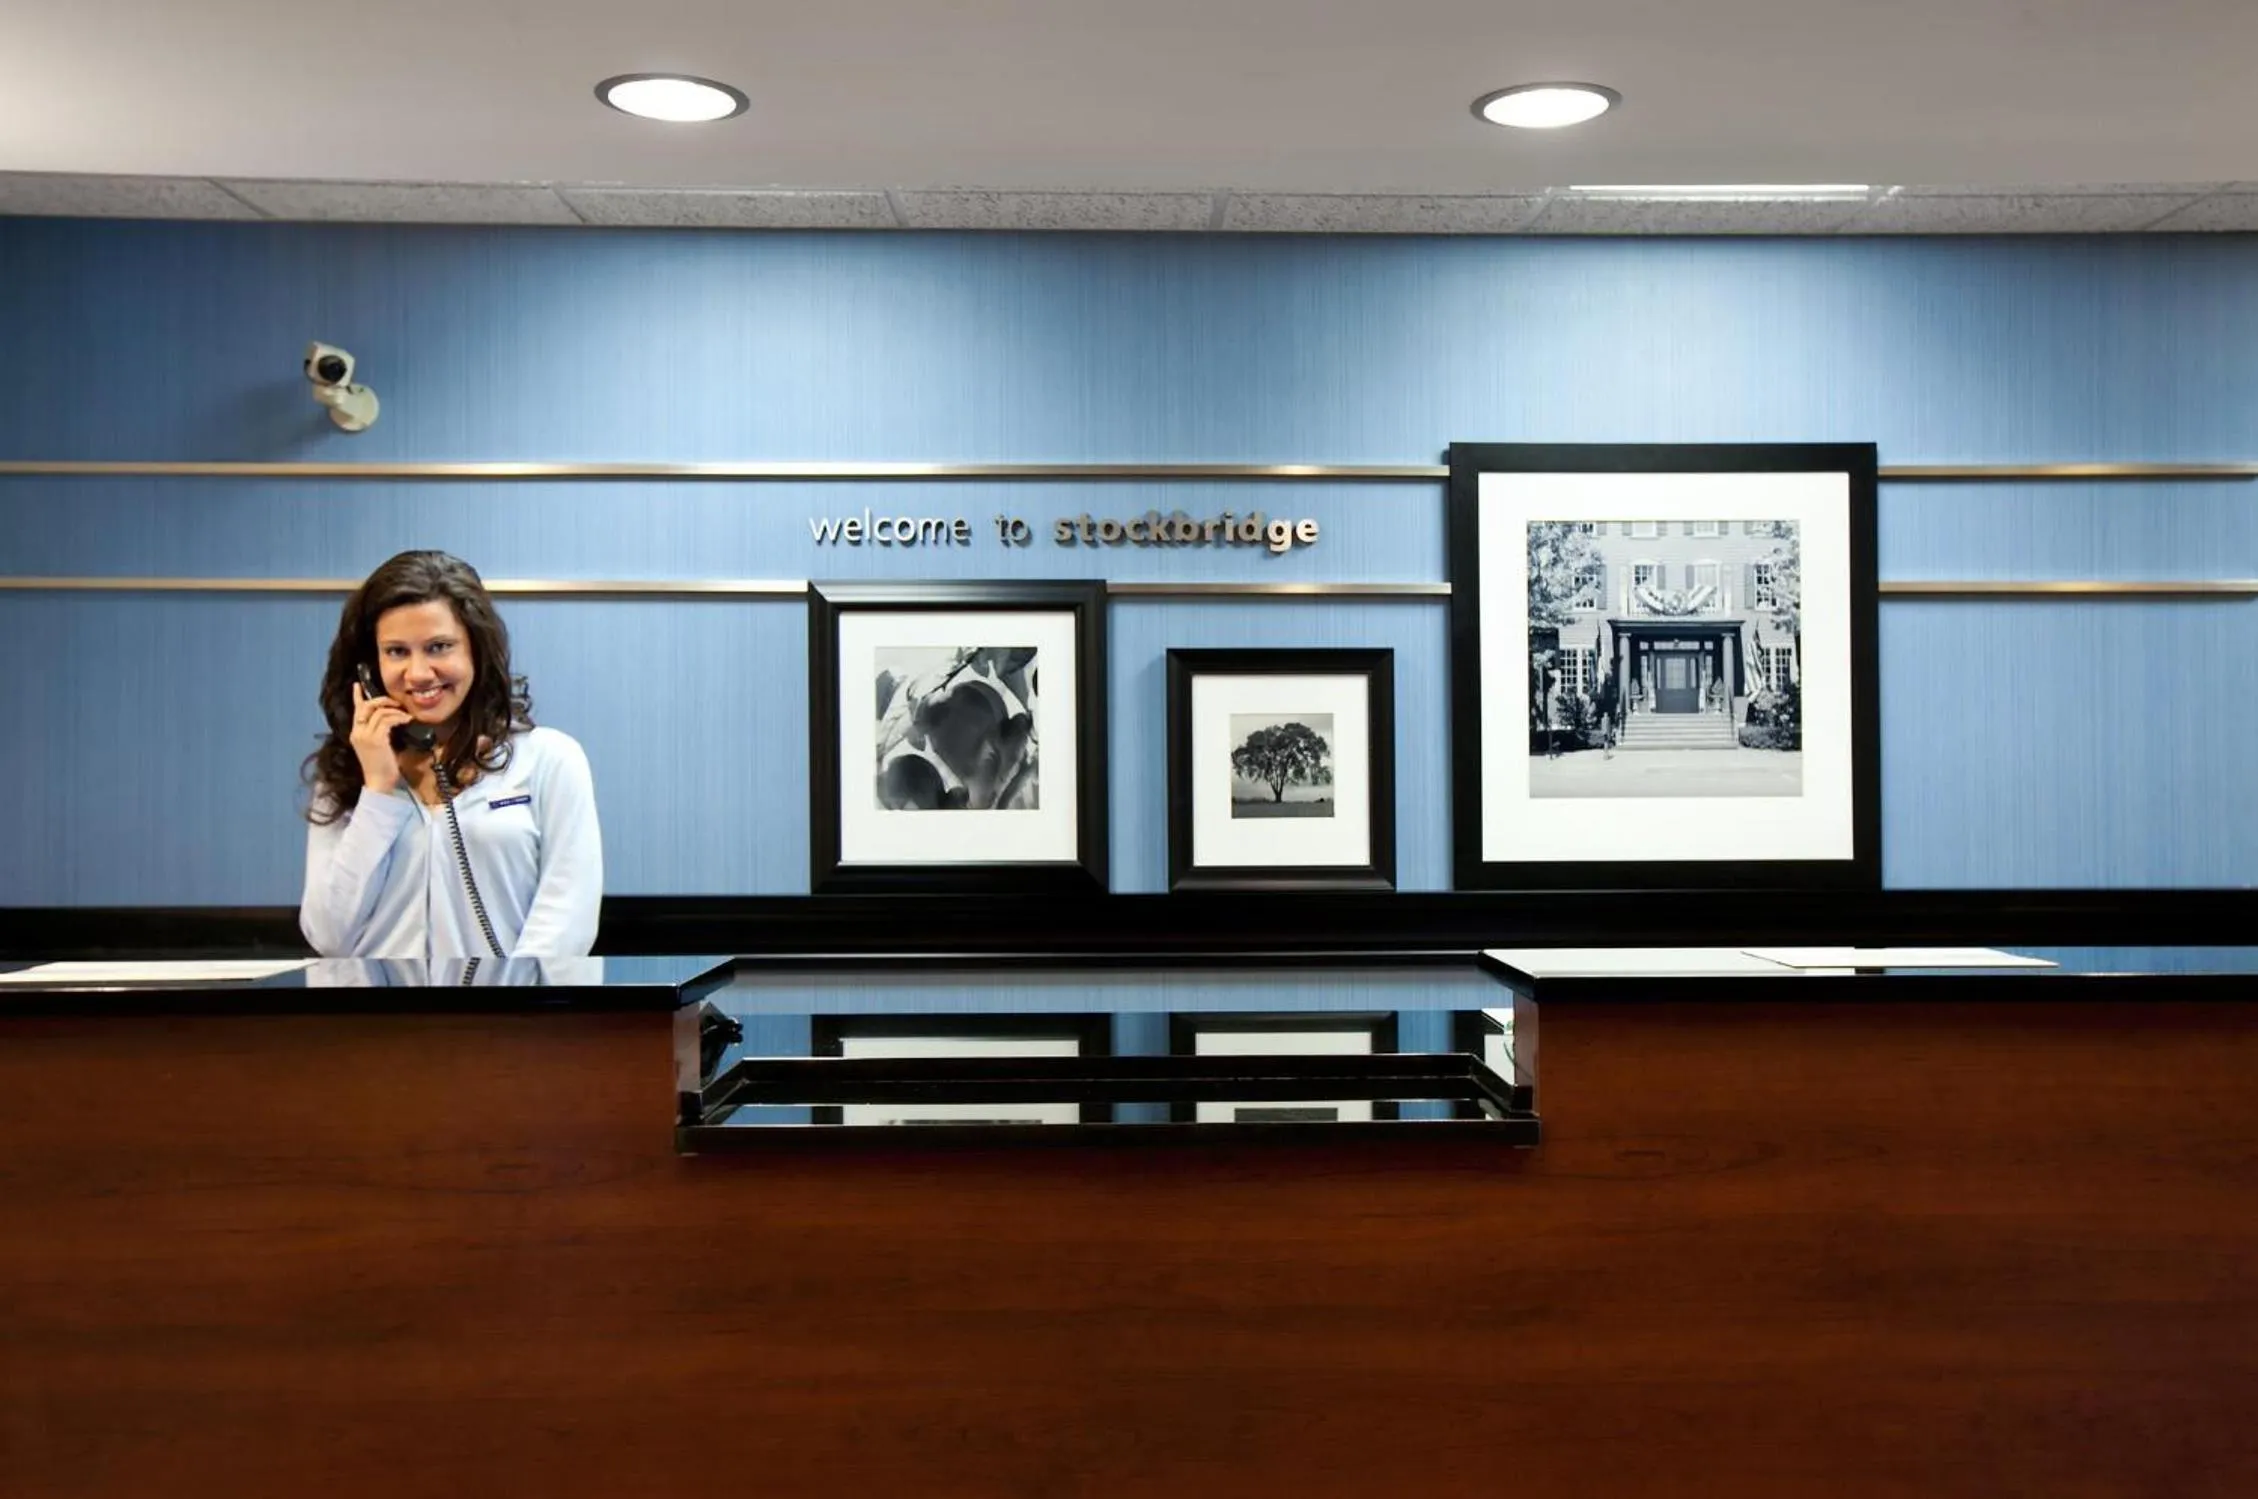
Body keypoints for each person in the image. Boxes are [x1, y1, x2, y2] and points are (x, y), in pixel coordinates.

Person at [299, 550, 601, 958]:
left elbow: (567, 920)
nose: (419, 673)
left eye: (439, 647)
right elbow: (329, 937)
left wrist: (511, 995)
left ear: (476, 649)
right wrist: (377, 791)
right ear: (369, 668)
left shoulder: (549, 760)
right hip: (374, 1001)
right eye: (397, 651)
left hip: (510, 999)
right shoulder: (345, 771)